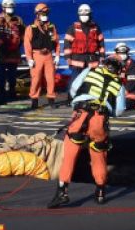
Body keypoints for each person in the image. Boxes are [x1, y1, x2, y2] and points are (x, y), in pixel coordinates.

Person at [48, 55, 127, 208]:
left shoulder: (89, 72)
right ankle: (100, 193)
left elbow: (73, 87)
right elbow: (120, 110)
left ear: (105, 64)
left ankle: (62, 192)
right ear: (119, 70)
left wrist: (76, 104)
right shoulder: (119, 85)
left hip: (81, 115)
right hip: (100, 120)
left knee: (70, 154)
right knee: (99, 156)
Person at [24, 3, 60, 109]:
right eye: (43, 13)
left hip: (48, 55)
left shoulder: (51, 26)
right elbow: (27, 44)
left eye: (46, 13)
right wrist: (29, 59)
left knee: (51, 78)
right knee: (36, 79)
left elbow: (56, 42)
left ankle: (51, 99)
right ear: (37, 14)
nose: (45, 14)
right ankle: (34, 100)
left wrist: (57, 55)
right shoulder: (31, 27)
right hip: (36, 55)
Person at [0, 0, 24, 104]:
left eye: (11, 7)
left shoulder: (18, 20)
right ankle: (1, 93)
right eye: (8, 7)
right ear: (3, 7)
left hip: (14, 52)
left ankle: (12, 92)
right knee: (1, 75)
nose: (10, 9)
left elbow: (23, 33)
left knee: (12, 75)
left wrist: (19, 43)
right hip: (1, 52)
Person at [63, 3, 105, 89]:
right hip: (77, 60)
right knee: (74, 83)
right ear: (78, 15)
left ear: (90, 14)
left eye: (86, 14)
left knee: (92, 83)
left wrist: (102, 56)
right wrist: (68, 58)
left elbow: (101, 42)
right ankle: (71, 100)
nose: (84, 16)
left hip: (92, 60)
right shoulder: (72, 28)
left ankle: (90, 100)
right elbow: (67, 44)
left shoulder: (96, 28)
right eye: (82, 14)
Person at [112, 42, 135, 110]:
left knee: (125, 104)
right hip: (115, 89)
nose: (121, 55)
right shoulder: (113, 62)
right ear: (116, 53)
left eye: (123, 53)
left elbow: (132, 81)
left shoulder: (131, 64)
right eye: (119, 53)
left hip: (127, 90)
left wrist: (124, 92)